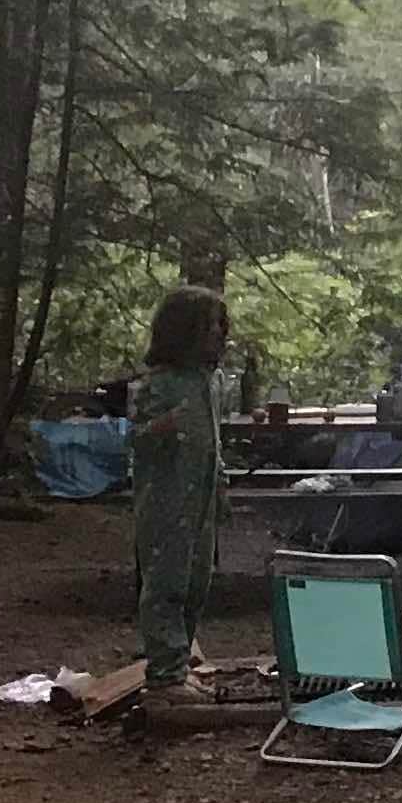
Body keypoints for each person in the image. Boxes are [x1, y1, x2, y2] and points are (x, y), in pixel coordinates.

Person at [128, 284, 230, 710]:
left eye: (222, 326)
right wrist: (161, 428)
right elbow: (135, 440)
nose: (219, 334)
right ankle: (164, 674)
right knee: (166, 585)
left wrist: (221, 485)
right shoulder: (159, 385)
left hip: (201, 501)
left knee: (195, 584)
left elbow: (213, 443)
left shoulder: (210, 382)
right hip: (167, 502)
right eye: (210, 326)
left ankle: (180, 668)